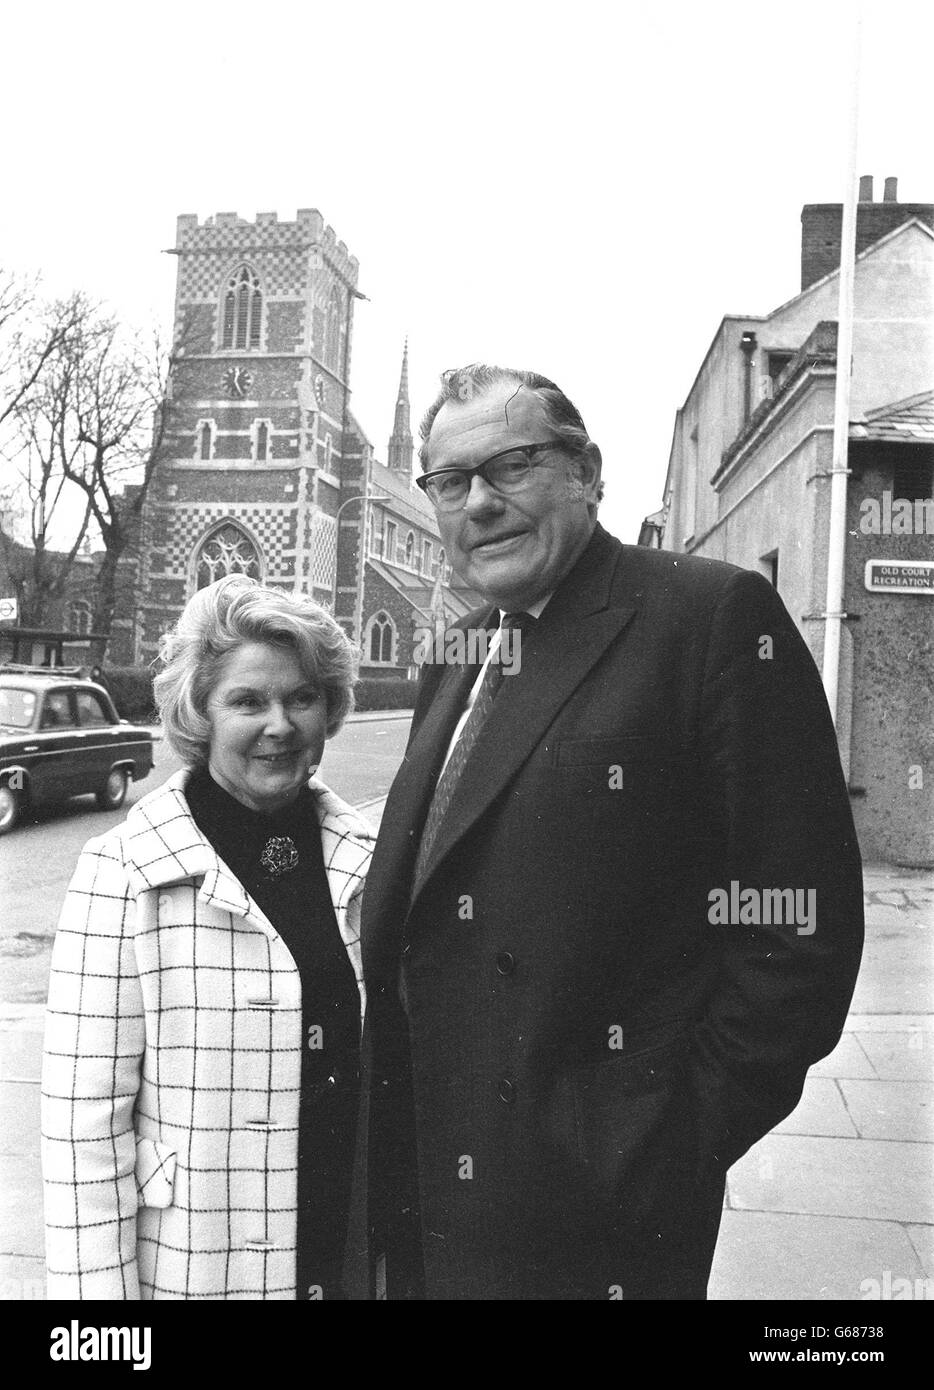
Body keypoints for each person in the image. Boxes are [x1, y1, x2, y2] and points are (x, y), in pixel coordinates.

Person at [348, 363, 865, 1301]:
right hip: (425, 1184)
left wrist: (657, 1141)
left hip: (590, 1217)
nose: (479, 503)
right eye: (450, 481)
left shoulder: (706, 617)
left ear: (586, 472)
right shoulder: (461, 651)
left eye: (511, 466)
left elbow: (799, 928)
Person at [41, 575, 374, 1299]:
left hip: (348, 1254)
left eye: (302, 698)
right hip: (195, 1264)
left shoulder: (371, 862)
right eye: (248, 701)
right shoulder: (123, 871)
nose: (280, 725)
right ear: (200, 713)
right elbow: (83, 1138)